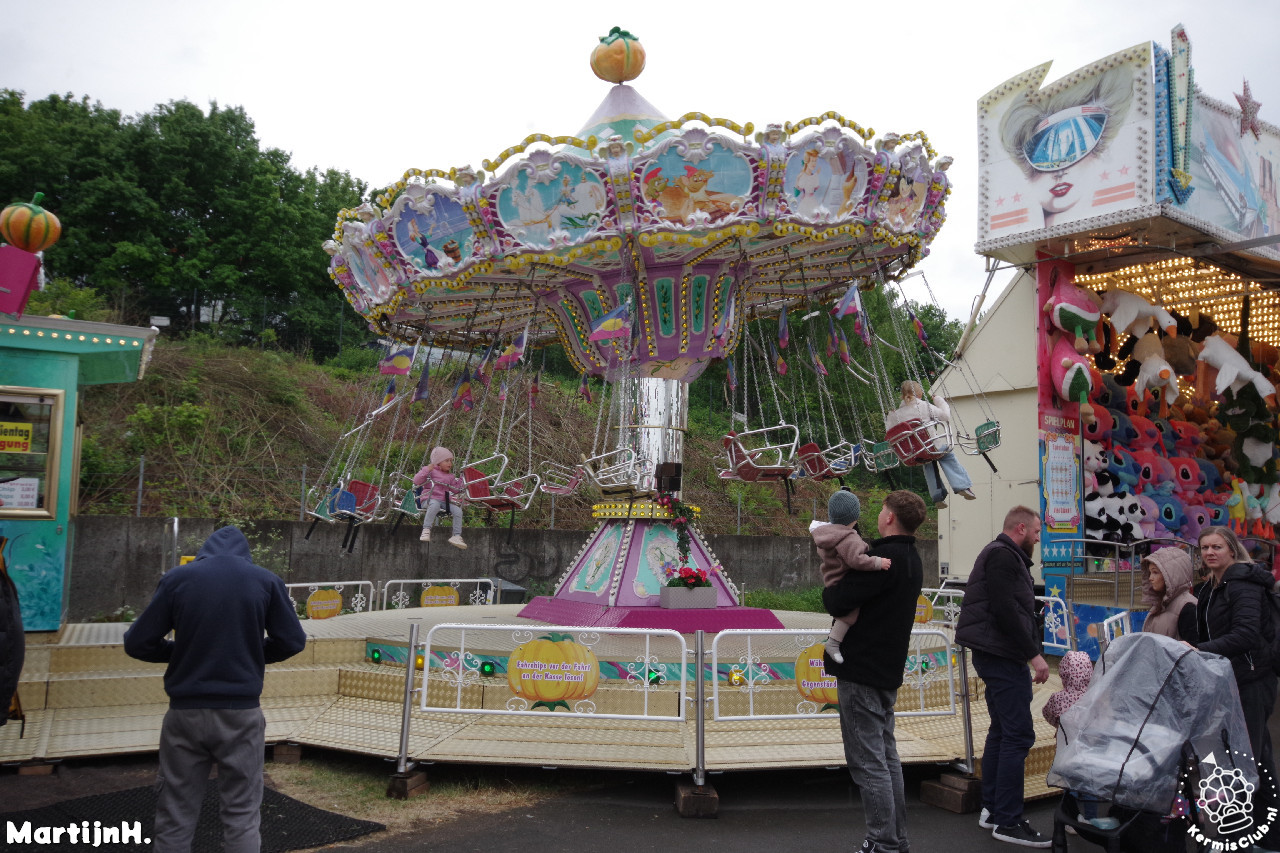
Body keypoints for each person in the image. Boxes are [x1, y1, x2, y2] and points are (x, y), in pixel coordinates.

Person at [123, 526, 307, 853]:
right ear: (246, 553)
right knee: (242, 813)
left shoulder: (177, 579)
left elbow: (137, 642)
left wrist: (179, 653)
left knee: (175, 812)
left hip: (184, 713)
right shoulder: (266, 581)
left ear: (204, 552)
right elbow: (292, 641)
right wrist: (250, 653)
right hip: (242, 714)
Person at [822, 489, 927, 853]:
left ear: (890, 518)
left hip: (861, 670)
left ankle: (883, 841)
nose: (879, 515)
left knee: (868, 763)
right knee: (886, 757)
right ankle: (897, 839)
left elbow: (836, 600)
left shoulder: (884, 559)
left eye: (883, 510)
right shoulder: (913, 559)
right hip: (886, 670)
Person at [954, 505, 1051, 848]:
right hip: (1002, 655)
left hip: (994, 653)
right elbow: (1005, 608)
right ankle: (1008, 820)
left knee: (1002, 731)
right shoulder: (1003, 556)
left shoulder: (1002, 554)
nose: (1038, 539)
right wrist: (1034, 654)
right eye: (1036, 532)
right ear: (1021, 529)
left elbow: (1006, 606)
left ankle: (994, 809)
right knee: (1018, 735)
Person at [1194, 525, 1279, 849]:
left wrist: (1200, 650)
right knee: (1259, 760)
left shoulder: (1242, 585)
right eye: (1204, 547)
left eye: (1216, 546)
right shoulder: (1213, 586)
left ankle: (1237, 839)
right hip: (1232, 679)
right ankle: (1269, 837)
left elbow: (1245, 634)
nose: (1210, 552)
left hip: (1252, 680)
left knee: (1243, 761)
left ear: (1231, 549)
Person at [811, 488, 891, 664]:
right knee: (849, 614)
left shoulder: (828, 534)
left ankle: (833, 642)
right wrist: (878, 562)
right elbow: (857, 560)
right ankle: (833, 643)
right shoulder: (848, 538)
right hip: (842, 578)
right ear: (855, 517)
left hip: (831, 578)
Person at [1041, 651, 1119, 831]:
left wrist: (1059, 725)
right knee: (1089, 785)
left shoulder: (1058, 699)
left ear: (1064, 673)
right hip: (1091, 750)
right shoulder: (1095, 698)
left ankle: (1070, 817)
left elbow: (1047, 714)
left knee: (1069, 783)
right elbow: (1107, 720)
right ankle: (1090, 818)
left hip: (1067, 750)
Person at [883, 380, 976, 508]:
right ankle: (962, 486)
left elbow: (889, 432)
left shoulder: (895, 415)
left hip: (913, 453)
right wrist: (939, 401)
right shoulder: (924, 406)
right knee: (947, 456)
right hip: (932, 446)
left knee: (928, 462)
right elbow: (945, 416)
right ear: (920, 394)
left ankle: (938, 497)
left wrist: (890, 416)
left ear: (902, 396)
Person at [414, 446, 468, 549]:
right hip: (428, 500)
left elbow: (456, 489)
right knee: (435, 504)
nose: (450, 463)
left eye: (451, 461)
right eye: (447, 461)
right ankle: (426, 530)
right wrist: (426, 470)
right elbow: (416, 481)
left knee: (458, 511)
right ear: (438, 462)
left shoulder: (450, 476)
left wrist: (462, 478)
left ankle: (456, 536)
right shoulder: (430, 472)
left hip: (444, 502)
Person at [1139, 548, 1198, 641]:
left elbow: (1191, 647)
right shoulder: (1161, 603)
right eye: (1150, 572)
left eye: (1155, 572)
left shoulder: (1188, 607)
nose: (1150, 578)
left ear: (1171, 575)